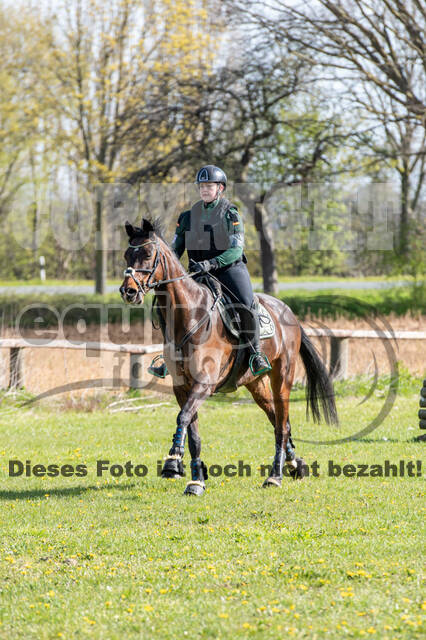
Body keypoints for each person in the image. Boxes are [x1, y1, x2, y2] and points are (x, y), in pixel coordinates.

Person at [148, 164, 271, 378]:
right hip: (197, 274)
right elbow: (175, 250)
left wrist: (211, 263)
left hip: (229, 271)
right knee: (167, 305)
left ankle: (256, 354)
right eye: (201, 186)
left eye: (209, 186)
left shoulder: (230, 214)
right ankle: (169, 356)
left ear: (220, 188)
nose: (205, 190)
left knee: (246, 302)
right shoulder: (187, 217)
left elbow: (235, 250)